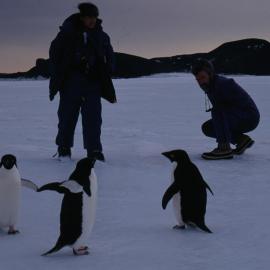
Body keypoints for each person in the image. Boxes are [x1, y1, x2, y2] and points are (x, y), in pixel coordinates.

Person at [49, 2, 117, 161]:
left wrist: (108, 69)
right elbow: (54, 56)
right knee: (67, 117)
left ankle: (94, 151)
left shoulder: (101, 36)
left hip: (92, 83)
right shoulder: (66, 34)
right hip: (71, 83)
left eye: (94, 17)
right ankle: (64, 148)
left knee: (93, 118)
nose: (92, 20)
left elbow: (110, 55)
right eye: (88, 17)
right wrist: (62, 72)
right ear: (82, 17)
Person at [191, 59, 260, 160]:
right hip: (238, 116)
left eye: (202, 77)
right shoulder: (211, 86)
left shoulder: (223, 84)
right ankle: (241, 141)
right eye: (198, 79)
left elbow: (222, 111)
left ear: (210, 74)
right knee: (208, 127)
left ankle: (224, 149)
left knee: (217, 111)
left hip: (249, 117)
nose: (201, 82)